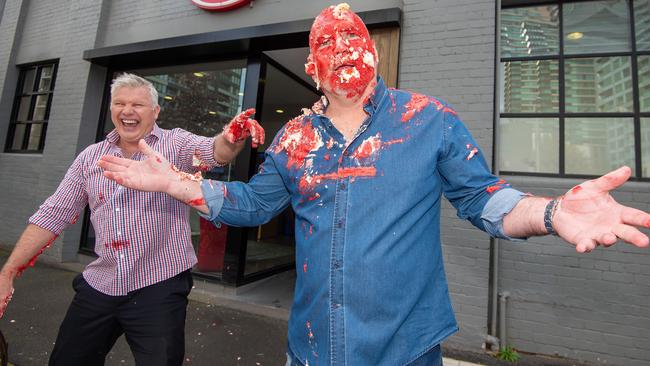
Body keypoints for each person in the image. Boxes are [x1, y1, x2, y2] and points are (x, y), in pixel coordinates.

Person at [98, 4, 650, 366]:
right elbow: (250, 204)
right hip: (313, 346)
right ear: (313, 66)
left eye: (353, 40)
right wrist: (176, 184)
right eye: (329, 47)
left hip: (404, 349)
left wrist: (552, 212)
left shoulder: (427, 119)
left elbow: (485, 200)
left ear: (373, 51)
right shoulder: (293, 138)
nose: (343, 54)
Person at [0, 73, 264, 365]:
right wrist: (8, 272)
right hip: (102, 283)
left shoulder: (174, 144)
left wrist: (231, 137)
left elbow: (214, 153)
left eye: (137, 104)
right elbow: (53, 214)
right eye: (119, 103)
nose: (127, 111)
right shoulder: (91, 158)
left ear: (155, 111)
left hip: (159, 286)